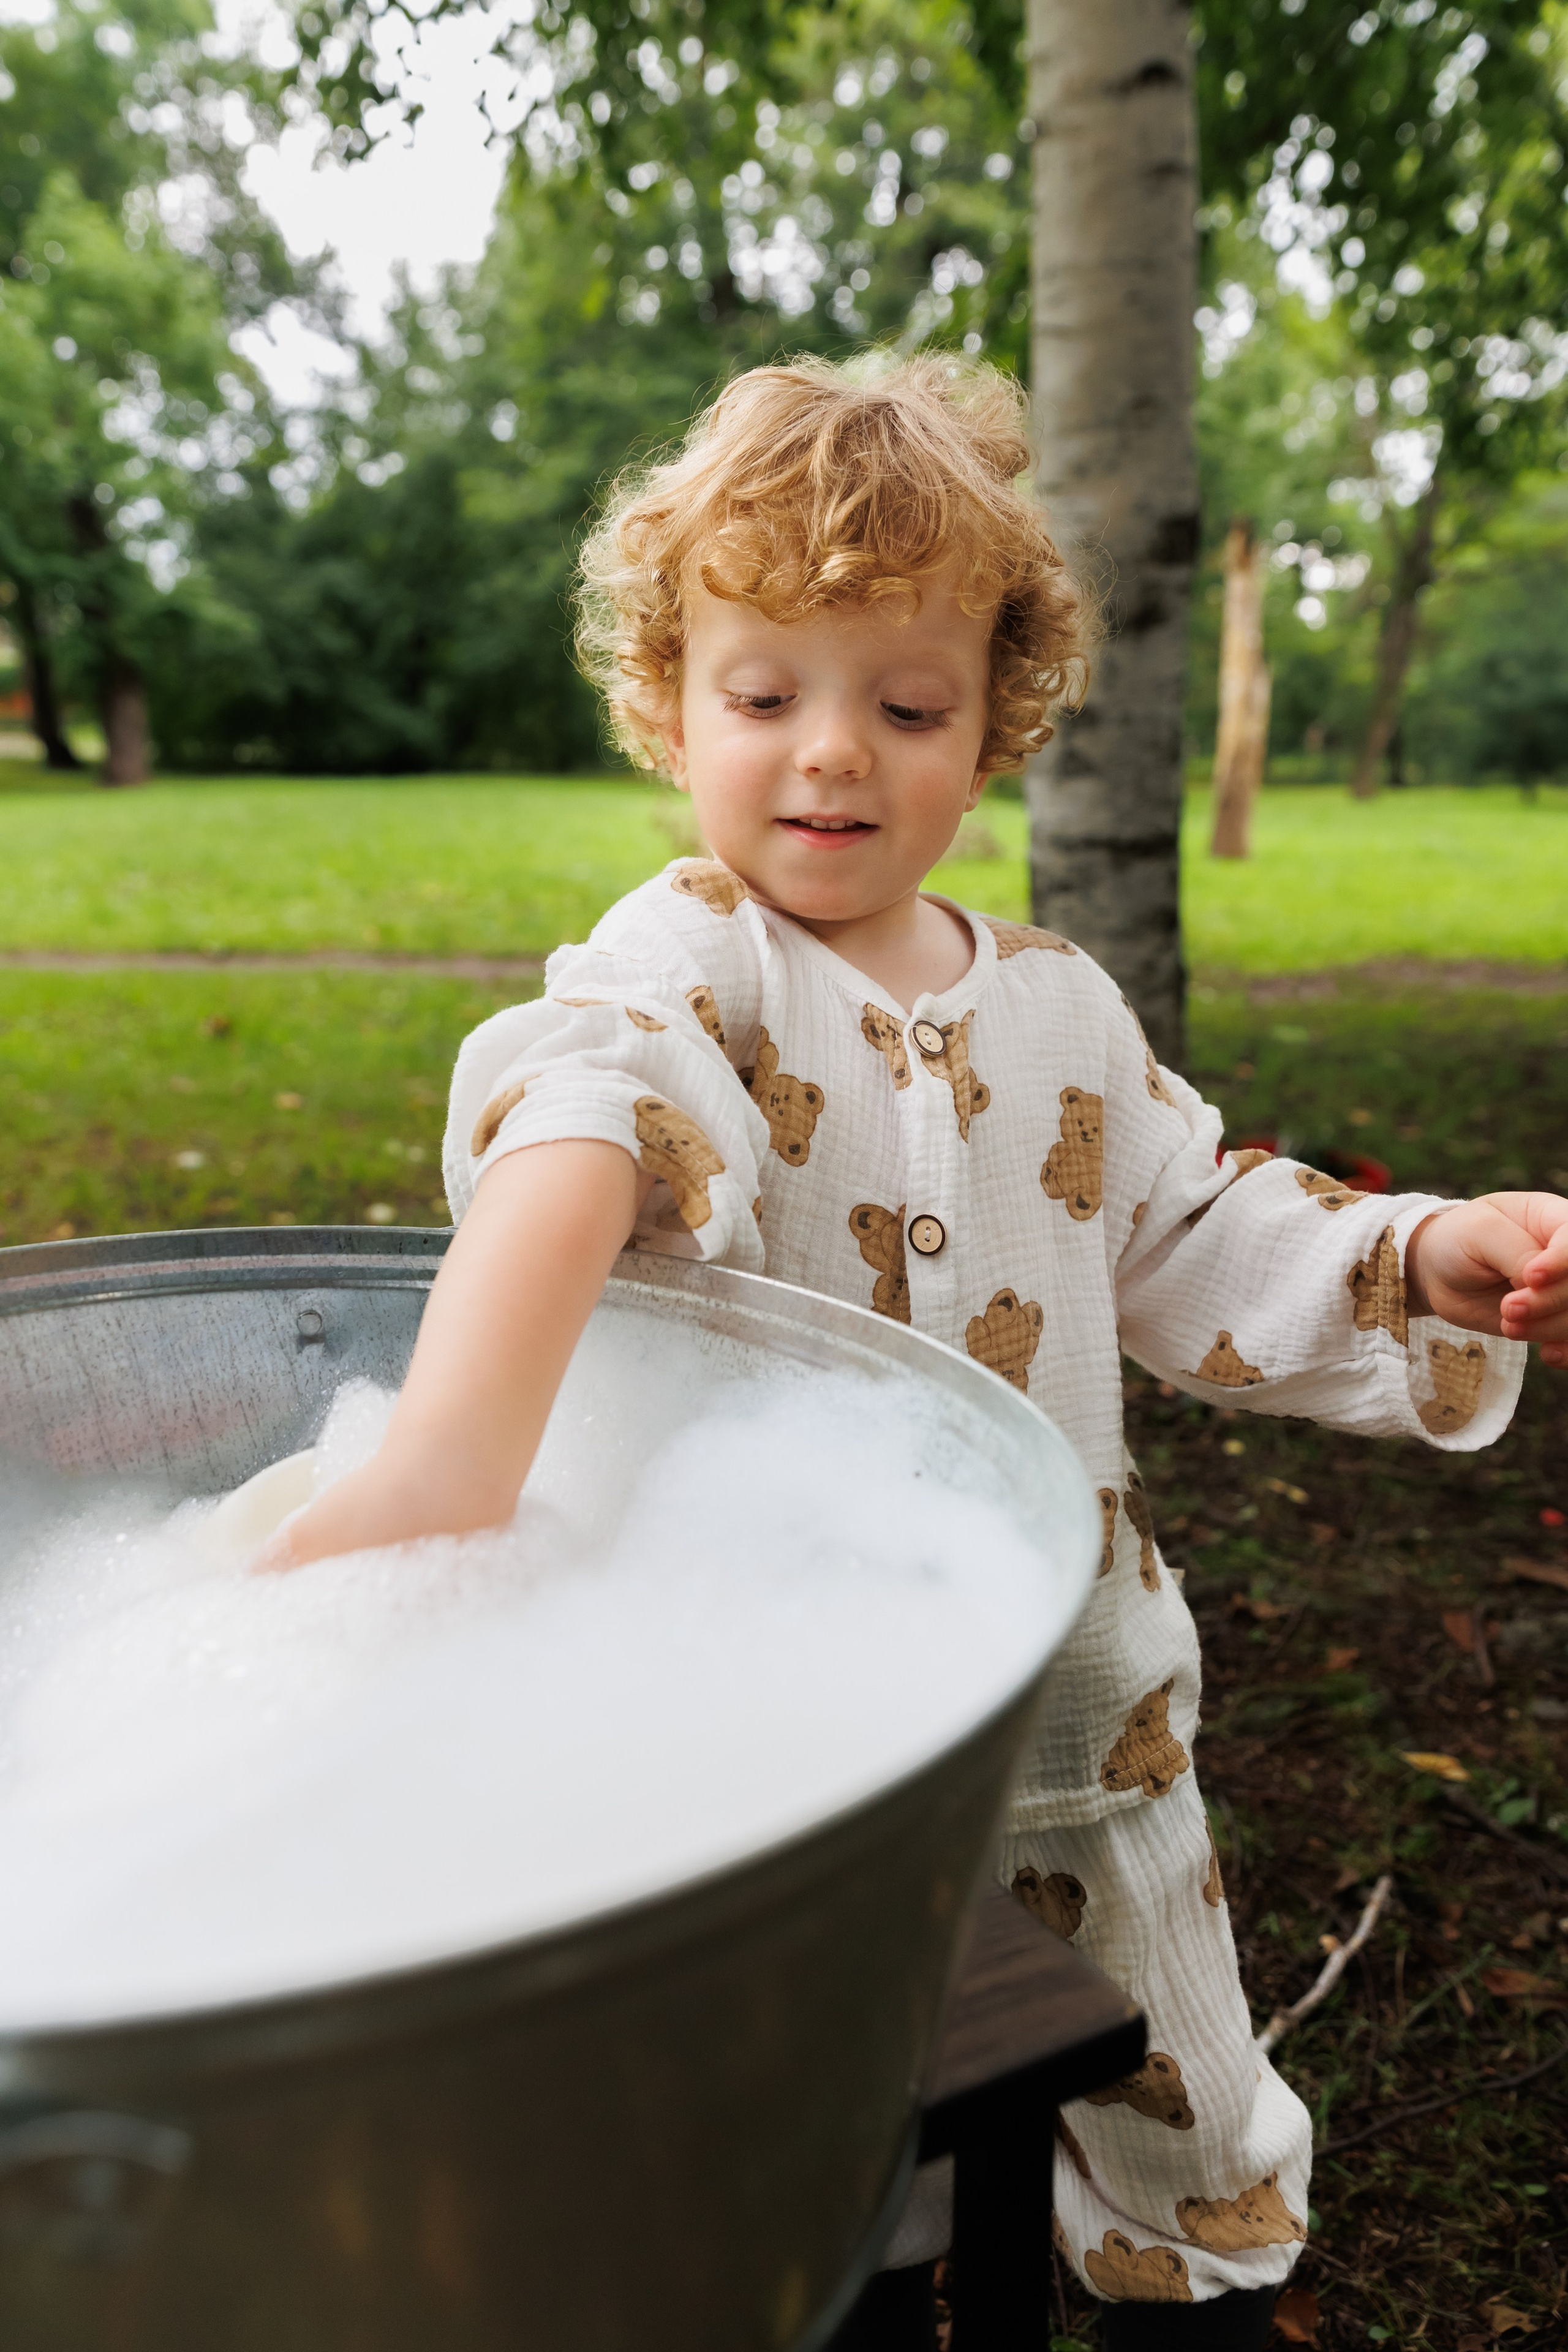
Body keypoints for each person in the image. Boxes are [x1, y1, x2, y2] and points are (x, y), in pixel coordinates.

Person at [271, 355, 1568, 2343]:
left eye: (906, 704)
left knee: (1189, 2108)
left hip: (1082, 1720)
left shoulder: (1058, 1005)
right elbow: (592, 1101)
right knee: (835, 2143)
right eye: (764, 693)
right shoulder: (691, 958)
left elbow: (1200, 1225)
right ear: (670, 701)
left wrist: (1427, 1255)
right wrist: (447, 1463)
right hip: (781, 1740)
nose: (832, 758)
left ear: (993, 723)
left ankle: (1194, 2285)